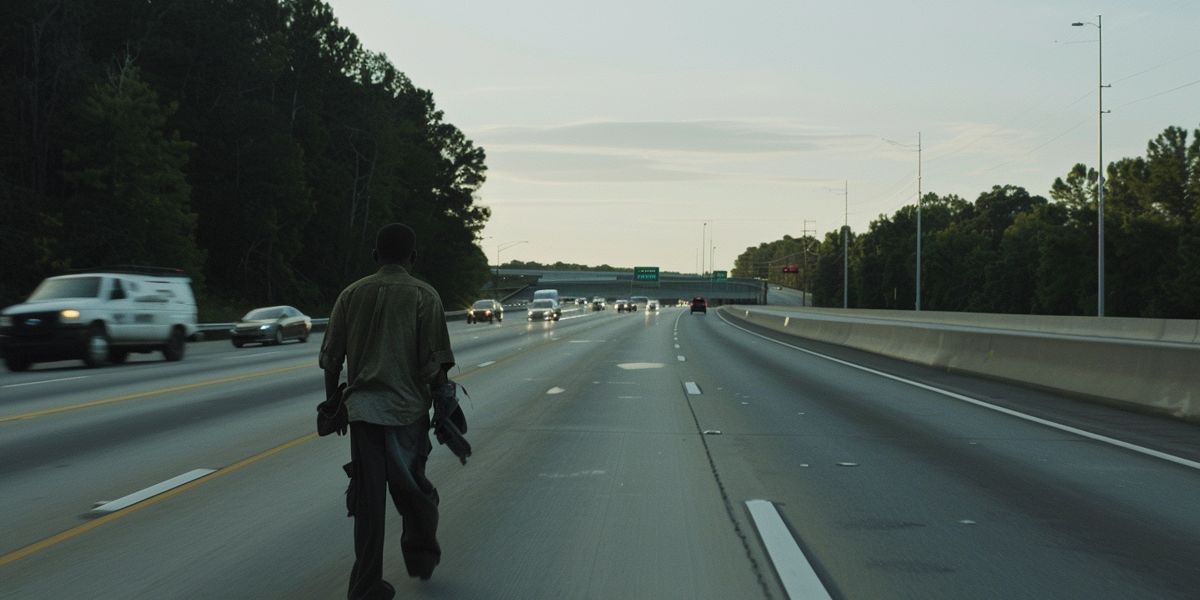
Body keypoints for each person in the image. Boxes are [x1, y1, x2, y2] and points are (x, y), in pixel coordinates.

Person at [320, 223, 455, 600]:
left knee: (368, 503)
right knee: (414, 492)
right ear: (413, 258)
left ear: (375, 256)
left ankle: (365, 586)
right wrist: (444, 409)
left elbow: (331, 360)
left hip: (362, 412)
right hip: (407, 413)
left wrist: (334, 407)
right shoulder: (425, 296)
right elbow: (436, 366)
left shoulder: (350, 295)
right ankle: (421, 555)